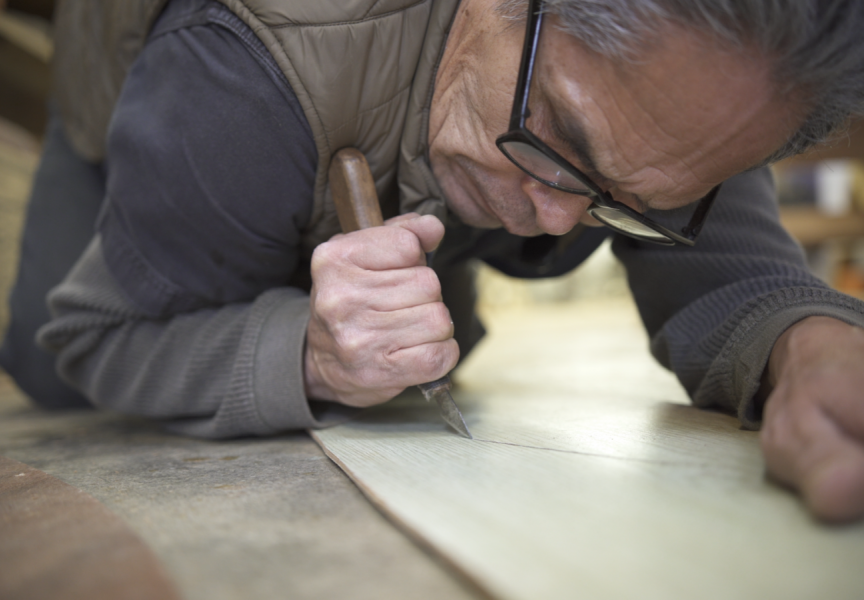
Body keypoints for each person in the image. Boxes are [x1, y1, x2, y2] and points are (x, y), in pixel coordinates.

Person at [2, 0, 864, 522]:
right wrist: (308, 353)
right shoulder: (232, 70)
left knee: (403, 353)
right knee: (49, 363)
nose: (559, 220)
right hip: (153, 89)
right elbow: (99, 333)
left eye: (635, 198)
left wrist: (813, 347)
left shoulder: (702, 87)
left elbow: (736, 276)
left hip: (371, 113)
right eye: (562, 135)